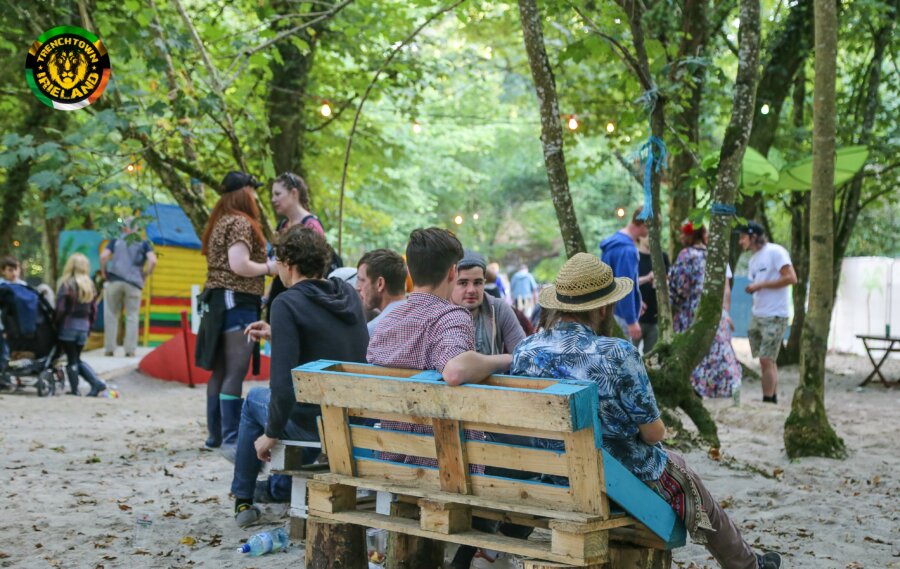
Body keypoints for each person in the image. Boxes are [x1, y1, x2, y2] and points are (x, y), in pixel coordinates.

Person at [510, 253, 782, 569]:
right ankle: (748, 565)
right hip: (611, 479)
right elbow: (654, 433)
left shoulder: (525, 350)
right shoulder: (617, 353)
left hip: (549, 474)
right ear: (602, 307)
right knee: (681, 472)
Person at [366, 228, 518, 569]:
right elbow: (454, 371)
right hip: (441, 461)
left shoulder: (388, 320)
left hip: (388, 451)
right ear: (453, 272)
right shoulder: (450, 317)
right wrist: (505, 360)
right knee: (525, 461)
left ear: (410, 272)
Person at [230, 225, 368, 527]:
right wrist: (278, 335)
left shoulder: (286, 303)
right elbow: (329, 340)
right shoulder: (346, 293)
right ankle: (258, 489)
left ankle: (242, 498)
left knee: (254, 398)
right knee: (273, 403)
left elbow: (282, 386)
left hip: (315, 424)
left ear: (288, 265)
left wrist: (271, 433)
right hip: (354, 419)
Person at [195, 172, 276, 456]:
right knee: (235, 369)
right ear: (243, 193)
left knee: (220, 370)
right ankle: (230, 435)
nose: (255, 198)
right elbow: (239, 264)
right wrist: (269, 268)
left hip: (217, 300)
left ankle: (215, 435)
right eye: (253, 191)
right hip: (235, 302)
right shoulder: (241, 222)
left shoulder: (220, 221)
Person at [669, 222, 741, 398]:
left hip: (690, 312)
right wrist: (724, 312)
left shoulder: (687, 255)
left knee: (691, 347)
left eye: (682, 234)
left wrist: (670, 304)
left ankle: (693, 387)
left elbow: (679, 287)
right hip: (713, 311)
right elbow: (725, 287)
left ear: (689, 235)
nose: (680, 238)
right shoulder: (715, 256)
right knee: (714, 348)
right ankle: (719, 386)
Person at [738, 221, 797, 404]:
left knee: (766, 359)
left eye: (742, 237)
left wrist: (761, 285)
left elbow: (791, 278)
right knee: (766, 360)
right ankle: (772, 397)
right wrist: (755, 288)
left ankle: (767, 400)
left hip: (775, 315)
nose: (740, 241)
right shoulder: (754, 259)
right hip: (758, 315)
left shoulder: (776, 252)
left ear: (753, 236)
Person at [265, 172, 327, 315]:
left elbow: (316, 268)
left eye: (277, 194)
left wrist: (262, 268)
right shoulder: (282, 225)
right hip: (280, 295)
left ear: (294, 193)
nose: (273, 199)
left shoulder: (312, 225)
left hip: (300, 300)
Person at [100, 218, 156, 357]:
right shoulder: (144, 243)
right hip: (134, 283)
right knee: (132, 315)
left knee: (111, 314)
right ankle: (130, 350)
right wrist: (145, 274)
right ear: (136, 228)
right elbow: (153, 260)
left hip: (114, 281)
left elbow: (103, 256)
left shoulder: (115, 241)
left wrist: (103, 272)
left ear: (123, 228)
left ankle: (109, 348)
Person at [451, 250, 525, 356]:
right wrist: (506, 360)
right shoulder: (438, 312)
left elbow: (523, 356)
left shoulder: (499, 309)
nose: (471, 290)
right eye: (463, 283)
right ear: (450, 282)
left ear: (484, 283)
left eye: (477, 283)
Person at [55, 254, 106, 397]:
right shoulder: (89, 286)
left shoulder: (66, 285)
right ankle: (96, 383)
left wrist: (55, 323)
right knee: (76, 358)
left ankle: (75, 389)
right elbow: (94, 311)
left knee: (72, 359)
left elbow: (60, 309)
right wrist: (89, 327)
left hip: (68, 326)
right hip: (84, 327)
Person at [600, 206, 648, 342]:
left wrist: (637, 303)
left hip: (609, 310)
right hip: (620, 315)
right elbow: (625, 288)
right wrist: (631, 321)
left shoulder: (614, 242)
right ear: (643, 223)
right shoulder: (627, 250)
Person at [355, 248, 408, 335]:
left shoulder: (374, 331)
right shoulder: (423, 318)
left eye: (361, 280)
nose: (358, 287)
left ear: (380, 284)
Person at [636, 236, 669, 352]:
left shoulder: (662, 257)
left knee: (650, 360)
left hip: (655, 318)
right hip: (635, 318)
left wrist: (661, 282)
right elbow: (626, 282)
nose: (650, 237)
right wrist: (647, 277)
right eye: (646, 233)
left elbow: (668, 282)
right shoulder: (634, 256)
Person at [0, 256, 27, 389]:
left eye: (16, 269)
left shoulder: (23, 286)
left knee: (16, 354)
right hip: (3, 325)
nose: (14, 273)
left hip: (18, 326)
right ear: (3, 271)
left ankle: (16, 379)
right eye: (10, 270)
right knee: (4, 353)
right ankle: (5, 379)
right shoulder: (1, 286)